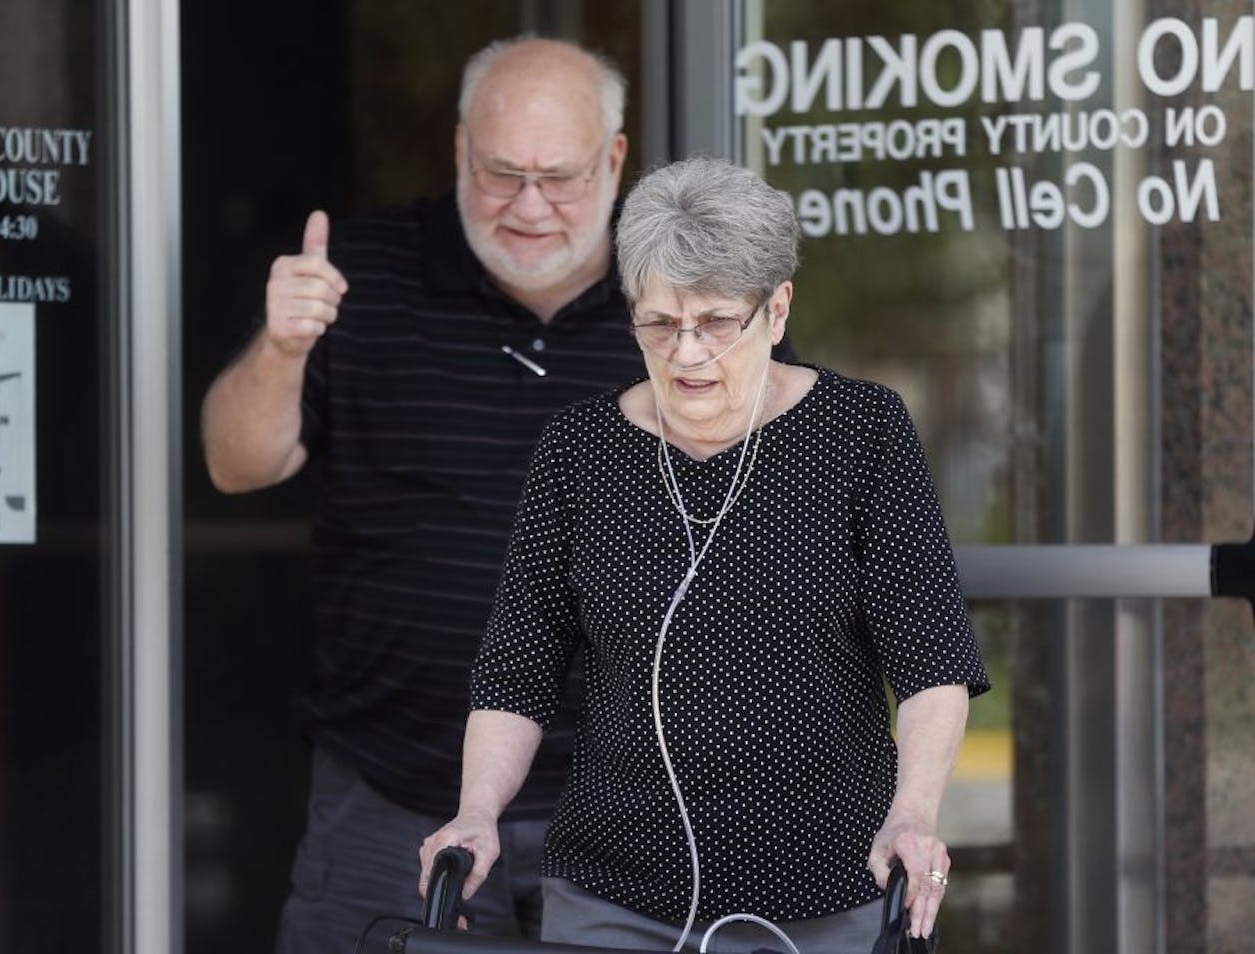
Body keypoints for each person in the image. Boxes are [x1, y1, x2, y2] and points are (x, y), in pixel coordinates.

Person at [419, 156, 990, 954]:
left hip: (828, 890)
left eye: (716, 322)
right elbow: (517, 668)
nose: (686, 354)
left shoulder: (862, 433)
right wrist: (477, 811)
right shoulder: (579, 451)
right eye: (659, 323)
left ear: (777, 308)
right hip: (614, 895)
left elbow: (933, 662)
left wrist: (913, 816)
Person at [202, 35, 672, 954]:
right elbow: (237, 463)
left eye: (561, 177)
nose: (530, 207)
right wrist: (285, 345)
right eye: (502, 173)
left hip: (636, 811)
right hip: (395, 797)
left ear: (615, 161)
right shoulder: (361, 275)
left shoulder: (682, 302)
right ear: (459, 151)